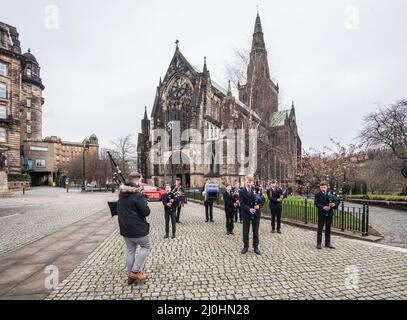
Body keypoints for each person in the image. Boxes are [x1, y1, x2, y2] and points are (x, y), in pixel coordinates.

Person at [117, 172, 151, 285]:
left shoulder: (121, 194)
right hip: (138, 229)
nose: (141, 182)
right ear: (137, 180)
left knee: (130, 250)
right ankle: (134, 271)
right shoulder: (137, 195)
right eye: (140, 180)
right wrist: (144, 202)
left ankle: (130, 273)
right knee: (145, 247)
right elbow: (146, 212)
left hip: (125, 228)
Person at [239, 175, 264, 255]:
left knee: (255, 231)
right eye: (247, 181)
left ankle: (255, 247)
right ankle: (245, 246)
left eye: (250, 181)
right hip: (246, 213)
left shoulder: (257, 190)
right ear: (245, 182)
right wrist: (249, 209)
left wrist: (258, 206)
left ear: (252, 182)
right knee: (245, 231)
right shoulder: (242, 191)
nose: (249, 183)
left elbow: (263, 200)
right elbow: (242, 204)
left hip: (256, 213)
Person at [314, 181, 341, 250]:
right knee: (320, 228)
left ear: (327, 187)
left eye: (324, 187)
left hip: (329, 213)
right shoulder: (317, 194)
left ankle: (327, 243)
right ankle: (319, 243)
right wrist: (323, 207)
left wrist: (334, 204)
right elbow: (316, 203)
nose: (323, 188)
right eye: (322, 187)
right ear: (320, 187)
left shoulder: (331, 193)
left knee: (328, 229)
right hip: (322, 213)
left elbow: (338, 200)